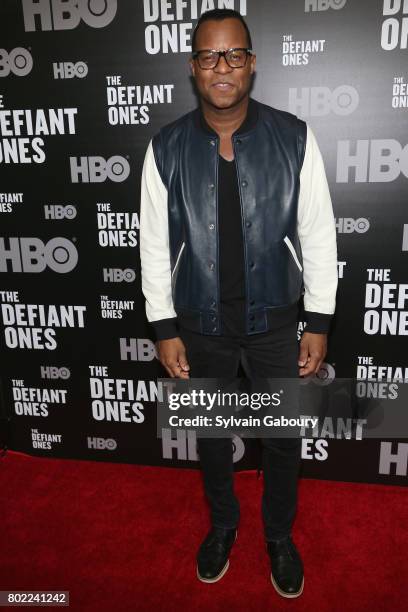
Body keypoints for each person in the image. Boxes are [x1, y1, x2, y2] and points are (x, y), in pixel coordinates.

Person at [139, 8, 337, 598]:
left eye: (232, 55)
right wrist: (163, 325)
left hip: (276, 320)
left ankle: (278, 535)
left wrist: (319, 320)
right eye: (208, 56)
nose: (221, 68)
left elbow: (319, 233)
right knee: (211, 434)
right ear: (193, 68)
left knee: (281, 438)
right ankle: (223, 526)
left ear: (251, 63)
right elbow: (153, 242)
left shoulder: (294, 136)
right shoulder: (166, 147)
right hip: (201, 324)